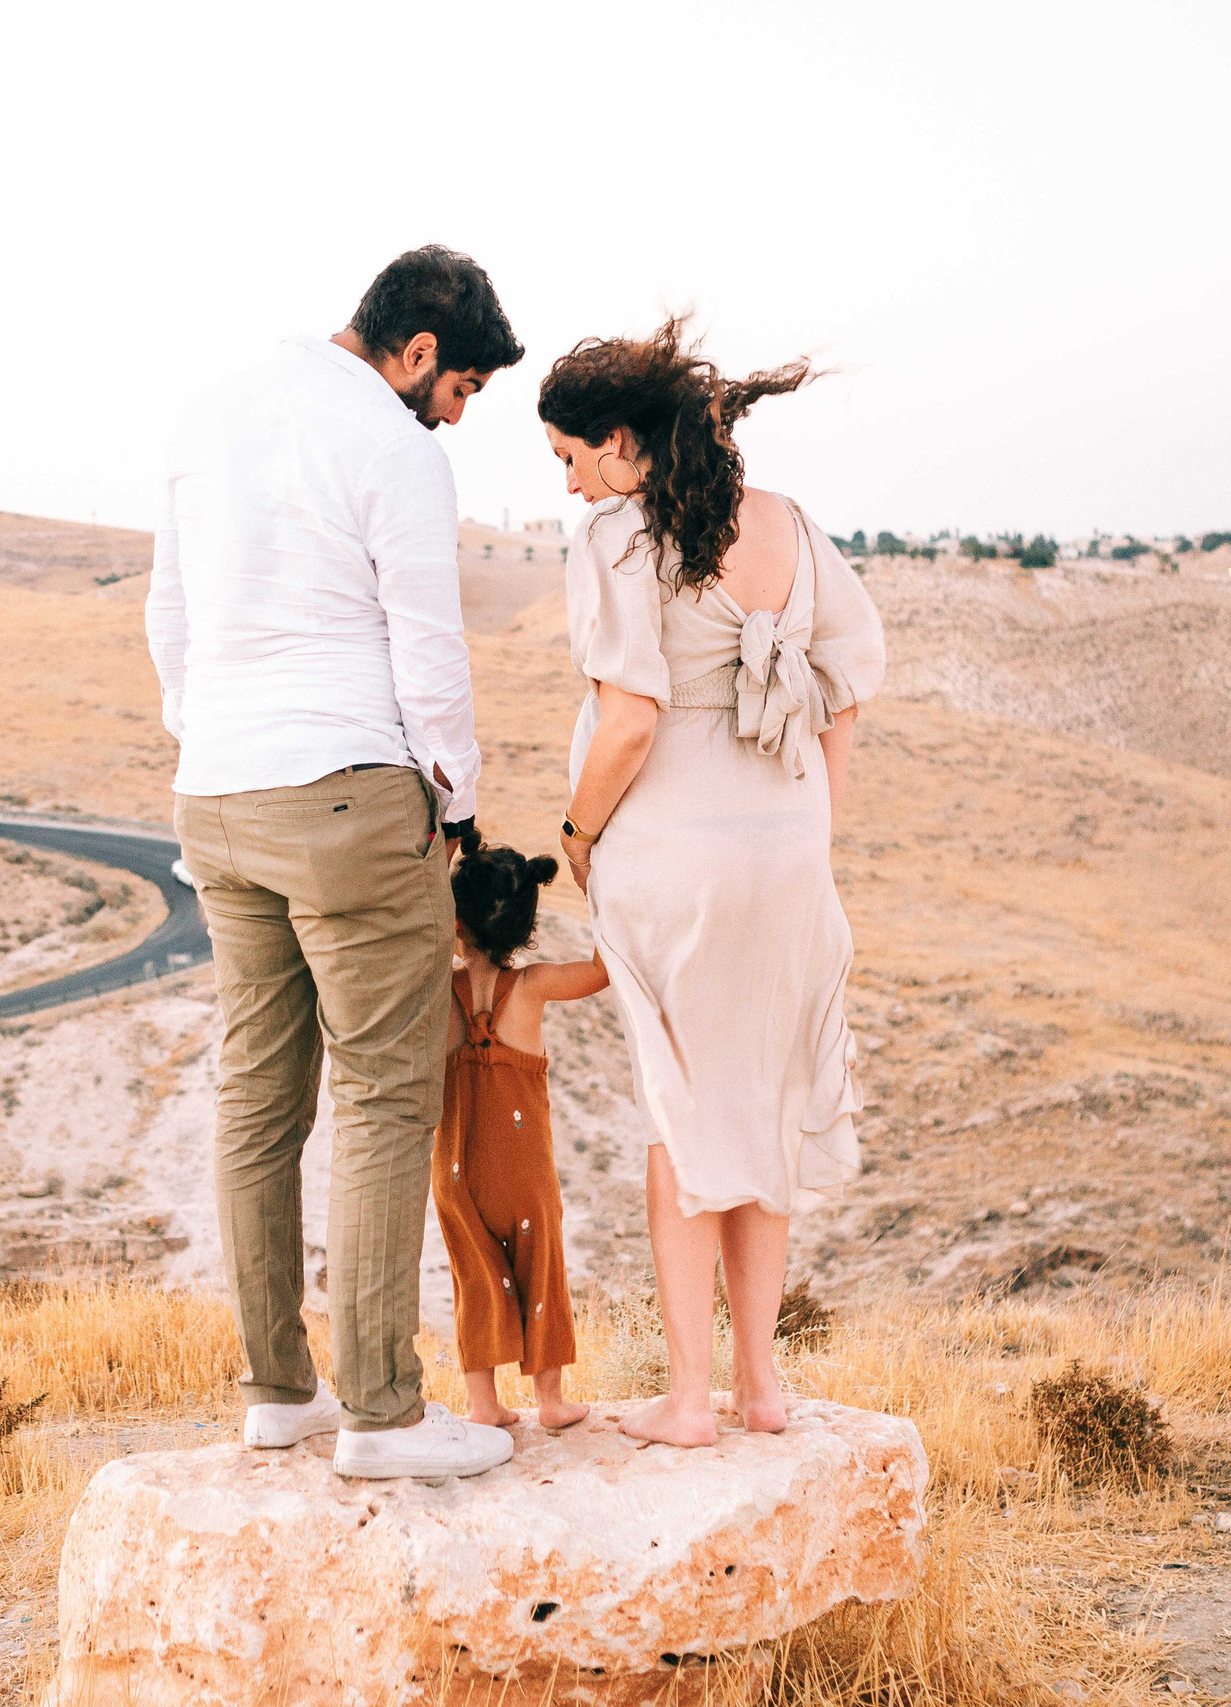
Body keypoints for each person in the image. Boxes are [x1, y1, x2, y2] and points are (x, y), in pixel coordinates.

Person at [147, 246, 526, 1480]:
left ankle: (276, 1393)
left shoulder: (213, 413)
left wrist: (208, 736)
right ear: (417, 353)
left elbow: (171, 617)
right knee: (380, 1091)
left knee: (256, 1093)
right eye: (460, 385)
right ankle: (381, 1414)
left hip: (218, 790)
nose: (456, 414)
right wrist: (455, 804)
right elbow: (428, 645)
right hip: (350, 793)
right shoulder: (393, 447)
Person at [537, 316, 887, 1447]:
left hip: (672, 854)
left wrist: (577, 831)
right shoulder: (785, 524)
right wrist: (811, 833)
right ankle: (762, 1389)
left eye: (572, 457)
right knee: (766, 1109)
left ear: (622, 441)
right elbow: (843, 692)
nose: (573, 483)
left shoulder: (617, 542)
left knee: (683, 1118)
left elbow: (630, 721)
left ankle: (689, 1402)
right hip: (786, 848)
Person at [433, 831, 606, 1431]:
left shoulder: (438, 988)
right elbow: (603, 970)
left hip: (455, 1168)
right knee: (542, 1266)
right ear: (526, 928)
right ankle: (551, 1402)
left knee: (472, 1277)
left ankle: (484, 1405)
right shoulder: (532, 988)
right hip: (524, 1170)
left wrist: (446, 861)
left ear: (455, 920)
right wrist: (596, 884)